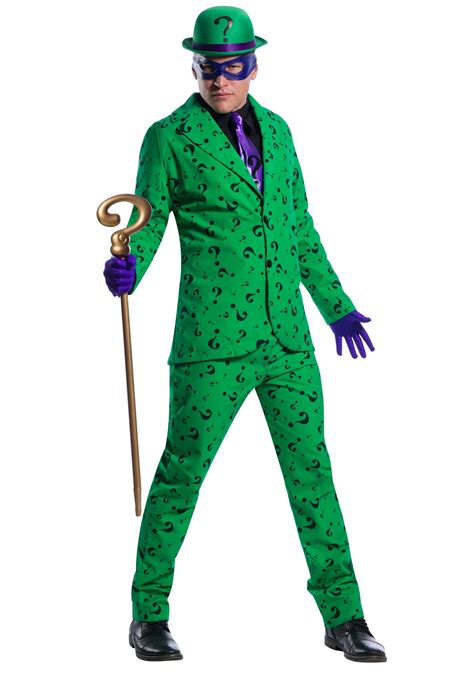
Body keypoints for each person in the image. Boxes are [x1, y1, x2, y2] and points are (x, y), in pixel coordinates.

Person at [103, 5, 386, 664]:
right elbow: (147, 220)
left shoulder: (280, 133)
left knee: (313, 473)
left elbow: (299, 225)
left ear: (254, 67)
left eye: (232, 68)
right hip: (212, 344)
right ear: (194, 67)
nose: (221, 80)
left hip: (286, 340)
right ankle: (148, 614)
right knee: (181, 474)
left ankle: (344, 615)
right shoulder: (169, 137)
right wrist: (127, 267)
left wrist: (336, 307)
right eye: (209, 68)